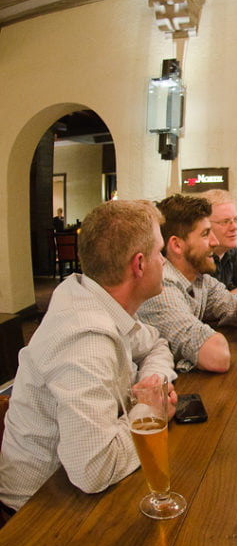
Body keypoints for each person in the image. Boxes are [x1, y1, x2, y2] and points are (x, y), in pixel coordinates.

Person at [0, 200, 177, 516]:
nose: (164, 261)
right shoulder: (84, 338)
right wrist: (150, 411)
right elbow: (93, 468)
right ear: (139, 264)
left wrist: (154, 382)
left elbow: (157, 344)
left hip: (71, 492)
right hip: (37, 514)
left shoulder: (98, 301)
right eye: (159, 252)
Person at [137, 194, 237, 373]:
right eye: (205, 234)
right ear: (177, 245)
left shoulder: (199, 279)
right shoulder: (163, 287)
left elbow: (236, 311)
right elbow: (216, 357)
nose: (215, 241)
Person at [204, 188, 237, 294]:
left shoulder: (231, 252)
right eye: (225, 221)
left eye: (236, 220)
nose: (234, 227)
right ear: (205, 225)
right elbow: (211, 304)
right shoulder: (200, 258)